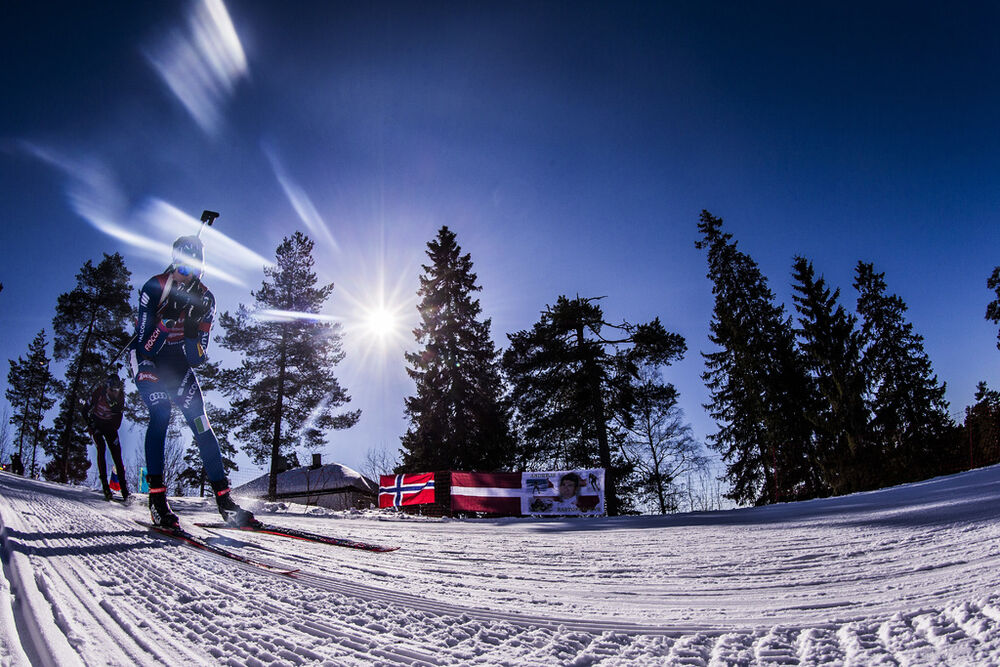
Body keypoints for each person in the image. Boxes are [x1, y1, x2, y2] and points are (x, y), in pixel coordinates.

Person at [132, 235, 258, 529]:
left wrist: (190, 332)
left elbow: (198, 358)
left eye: (192, 271)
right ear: (174, 264)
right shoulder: (155, 287)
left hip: (177, 362)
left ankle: (225, 501)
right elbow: (144, 346)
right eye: (181, 269)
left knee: (201, 423)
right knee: (161, 413)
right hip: (149, 360)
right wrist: (167, 321)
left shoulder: (207, 299)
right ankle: (157, 500)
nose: (184, 276)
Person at [87, 374, 130, 501]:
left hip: (110, 427)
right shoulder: (98, 392)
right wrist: (91, 424)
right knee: (101, 448)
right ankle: (105, 486)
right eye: (112, 390)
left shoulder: (120, 397)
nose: (114, 393)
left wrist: (114, 408)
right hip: (96, 425)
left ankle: (124, 490)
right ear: (107, 388)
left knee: (117, 455)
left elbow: (117, 423)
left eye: (116, 391)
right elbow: (84, 411)